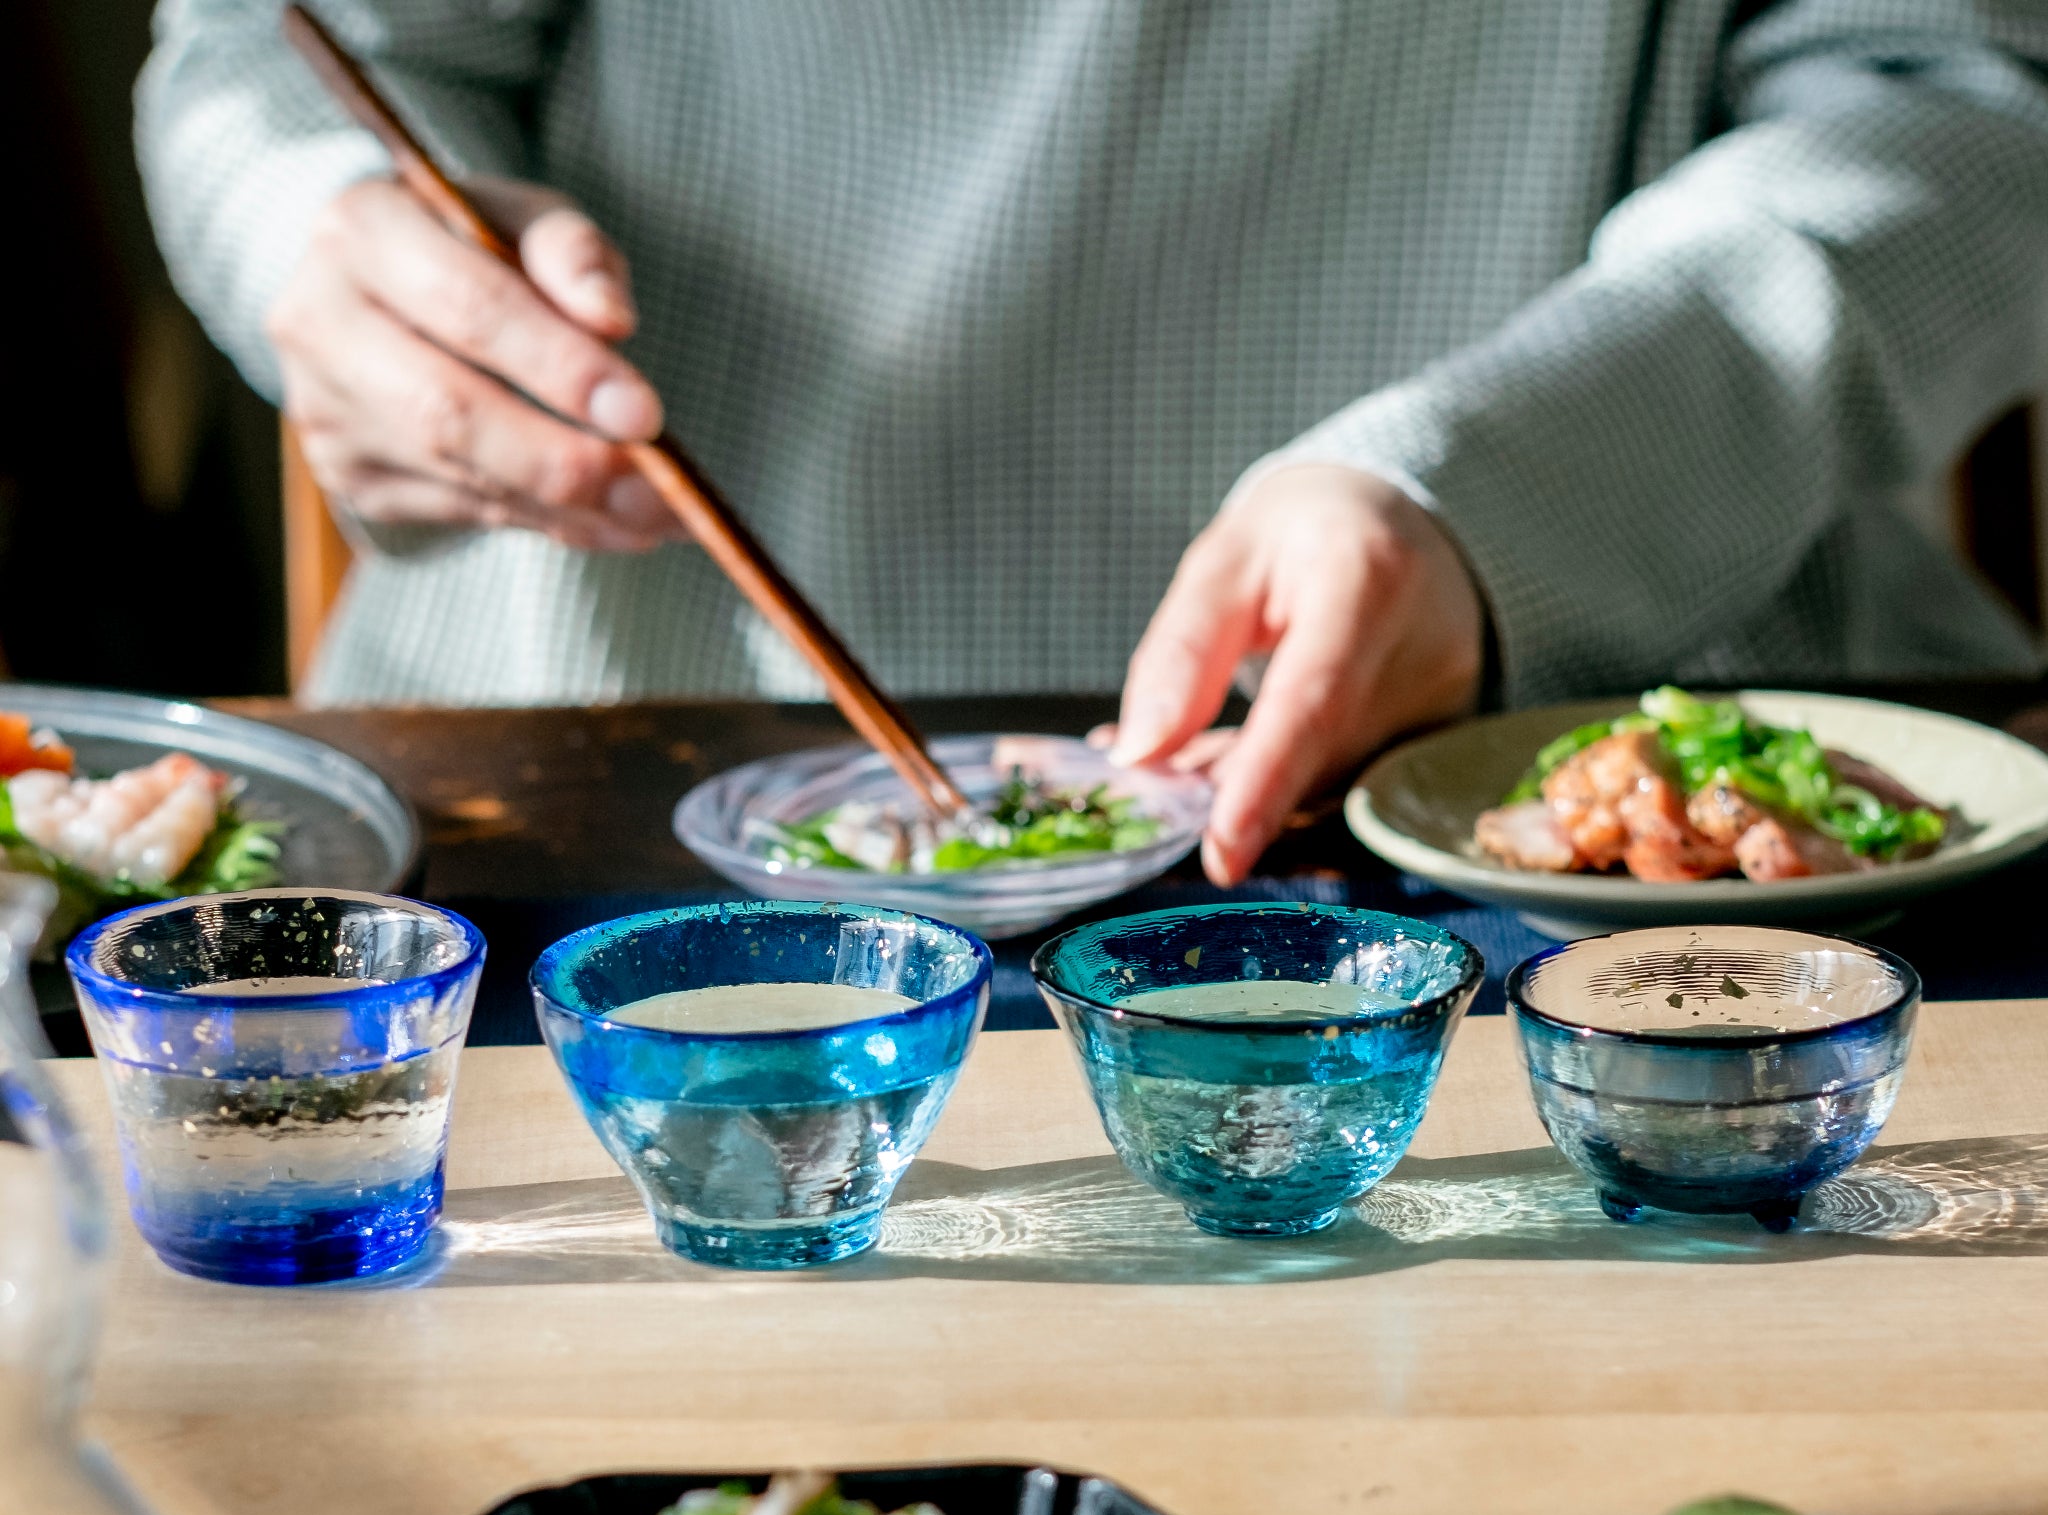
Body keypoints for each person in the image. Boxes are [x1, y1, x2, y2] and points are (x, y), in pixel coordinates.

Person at [140, 3, 2048, 884]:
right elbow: (269, 53)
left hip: (1561, 770)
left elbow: (1953, 100)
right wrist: (326, 247)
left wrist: (1503, 492)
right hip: (605, 777)